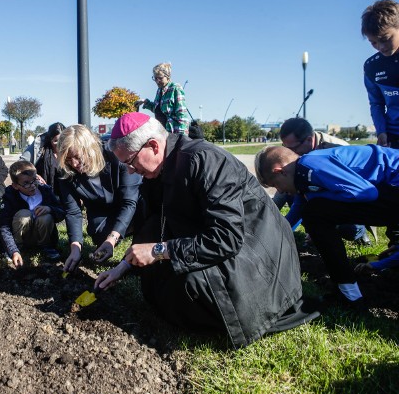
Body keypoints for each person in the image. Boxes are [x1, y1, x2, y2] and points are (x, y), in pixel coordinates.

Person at [95, 112, 315, 348]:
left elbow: (227, 237)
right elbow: (155, 223)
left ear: (153, 146)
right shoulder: (157, 168)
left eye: (130, 162)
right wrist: (124, 266)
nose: (130, 171)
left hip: (257, 253)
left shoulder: (205, 159)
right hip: (221, 239)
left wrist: (160, 250)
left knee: (191, 284)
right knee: (154, 278)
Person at [255, 144, 399, 305]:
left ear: (279, 171)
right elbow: (297, 210)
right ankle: (351, 292)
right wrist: (267, 239)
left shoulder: (310, 164)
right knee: (314, 211)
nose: (280, 191)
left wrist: (319, 198)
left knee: (316, 213)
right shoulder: (304, 171)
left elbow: (366, 193)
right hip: (389, 189)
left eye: (275, 185)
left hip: (392, 187)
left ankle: (350, 295)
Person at [56, 124, 142, 272]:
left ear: (90, 148)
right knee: (99, 235)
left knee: (143, 216)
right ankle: (116, 232)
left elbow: (129, 201)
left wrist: (112, 239)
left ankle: (136, 241)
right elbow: (73, 211)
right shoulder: (66, 172)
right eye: (69, 159)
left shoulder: (115, 155)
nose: (75, 164)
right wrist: (75, 247)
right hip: (101, 208)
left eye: (77, 156)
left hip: (134, 203)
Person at [276, 117, 372, 246]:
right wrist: (279, 230)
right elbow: (290, 197)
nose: (289, 154)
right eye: (285, 148)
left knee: (347, 229)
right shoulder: (299, 154)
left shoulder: (337, 149)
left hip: (354, 199)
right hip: (323, 195)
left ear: (309, 140)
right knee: (293, 193)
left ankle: (359, 233)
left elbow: (355, 193)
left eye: (292, 149)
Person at [0, 161, 65, 267]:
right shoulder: (10, 195)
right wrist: (12, 250)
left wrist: (50, 209)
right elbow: (3, 226)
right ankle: (17, 247)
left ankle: (46, 246)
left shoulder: (45, 190)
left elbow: (61, 212)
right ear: (15, 186)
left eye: (34, 180)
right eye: (26, 183)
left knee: (46, 217)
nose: (32, 185)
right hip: (19, 236)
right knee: (24, 214)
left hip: (41, 235)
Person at [361, 0, 399, 149]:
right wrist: (381, 131)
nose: (381, 47)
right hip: (393, 138)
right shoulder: (371, 66)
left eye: (385, 39)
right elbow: (376, 103)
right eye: (374, 42)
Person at [134, 62, 189, 135]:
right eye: (155, 78)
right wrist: (145, 102)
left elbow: (182, 115)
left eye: (160, 78)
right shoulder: (159, 90)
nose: (157, 81)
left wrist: (181, 139)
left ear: (168, 76)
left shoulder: (175, 88)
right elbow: (158, 110)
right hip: (162, 133)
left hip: (173, 134)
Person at [34, 122, 66, 197]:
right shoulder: (42, 153)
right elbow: (22, 165)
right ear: (50, 140)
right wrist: (35, 175)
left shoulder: (69, 154)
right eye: (56, 141)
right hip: (45, 194)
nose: (59, 144)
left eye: (62, 140)